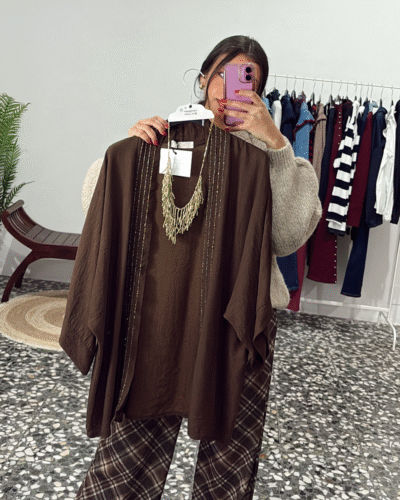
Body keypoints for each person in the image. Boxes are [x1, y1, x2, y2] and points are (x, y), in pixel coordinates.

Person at [72, 35, 322, 499]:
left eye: (247, 79)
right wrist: (132, 150)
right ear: (204, 77)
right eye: (223, 74)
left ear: (258, 90)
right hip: (161, 316)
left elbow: (287, 236)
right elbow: (98, 208)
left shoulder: (267, 155)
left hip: (236, 321)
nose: (231, 87)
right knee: (131, 448)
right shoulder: (163, 139)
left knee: (229, 459)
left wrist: (276, 146)